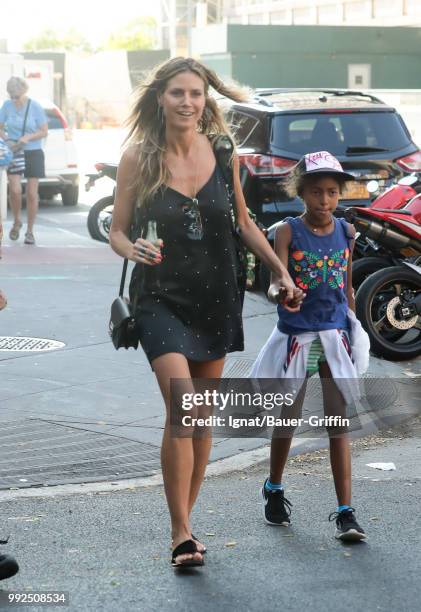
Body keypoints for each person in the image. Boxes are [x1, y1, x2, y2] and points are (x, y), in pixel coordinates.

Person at [109, 57, 303, 568]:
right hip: (160, 299)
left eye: (196, 94)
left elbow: (243, 222)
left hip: (217, 296)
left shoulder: (223, 151)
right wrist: (130, 249)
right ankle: (180, 532)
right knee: (182, 409)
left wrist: (279, 271)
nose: (188, 103)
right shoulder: (139, 157)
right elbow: (117, 229)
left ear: (206, 100)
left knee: (200, 418)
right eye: (177, 93)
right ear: (160, 98)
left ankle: (187, 522)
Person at [251, 151, 367, 542]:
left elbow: (347, 289)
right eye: (316, 192)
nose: (325, 201)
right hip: (297, 338)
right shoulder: (285, 232)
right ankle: (274, 487)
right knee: (289, 418)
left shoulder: (347, 233)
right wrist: (281, 291)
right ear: (301, 193)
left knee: (339, 424)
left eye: (332, 193)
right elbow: (271, 285)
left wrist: (352, 333)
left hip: (334, 337)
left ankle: (346, 511)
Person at [0, 76, 48, 246]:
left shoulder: (34, 106)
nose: (14, 99)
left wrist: (29, 136)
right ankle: (16, 221)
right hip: (14, 152)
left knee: (32, 193)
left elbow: (44, 131)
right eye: (11, 96)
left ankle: (30, 231)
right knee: (14, 189)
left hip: (33, 151)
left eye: (17, 96)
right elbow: (0, 127)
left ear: (24, 92)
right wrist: (7, 140)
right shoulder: (6, 106)